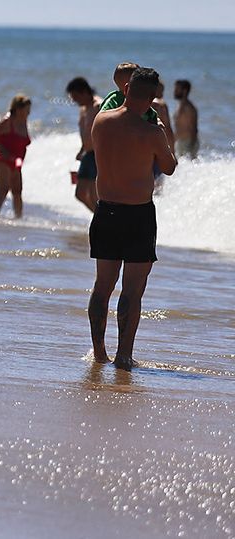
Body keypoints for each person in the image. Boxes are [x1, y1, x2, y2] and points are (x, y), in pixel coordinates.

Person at [88, 67, 177, 369]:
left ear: (125, 89)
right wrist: (162, 129)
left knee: (103, 286)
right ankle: (123, 356)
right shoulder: (152, 132)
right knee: (133, 290)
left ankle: (99, 354)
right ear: (153, 98)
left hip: (106, 210)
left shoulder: (101, 121)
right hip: (138, 214)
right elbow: (169, 167)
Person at [0, 94, 32, 217]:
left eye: (29, 110)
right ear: (18, 109)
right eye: (26, 110)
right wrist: (4, 151)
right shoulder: (8, 120)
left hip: (16, 161)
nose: (28, 113)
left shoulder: (24, 121)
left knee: (17, 191)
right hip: (2, 159)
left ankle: (19, 219)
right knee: (4, 189)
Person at [66, 77, 102, 212]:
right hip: (88, 154)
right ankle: (100, 220)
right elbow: (86, 132)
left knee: (94, 195)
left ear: (84, 92)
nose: (74, 100)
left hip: (98, 154)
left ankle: (103, 224)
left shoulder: (98, 106)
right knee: (80, 194)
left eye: (75, 96)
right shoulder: (83, 109)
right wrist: (81, 150)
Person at [173, 80, 199, 161]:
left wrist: (191, 146)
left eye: (177, 89)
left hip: (187, 143)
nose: (175, 91)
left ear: (184, 91)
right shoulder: (181, 105)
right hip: (180, 142)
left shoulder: (189, 107)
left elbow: (194, 128)